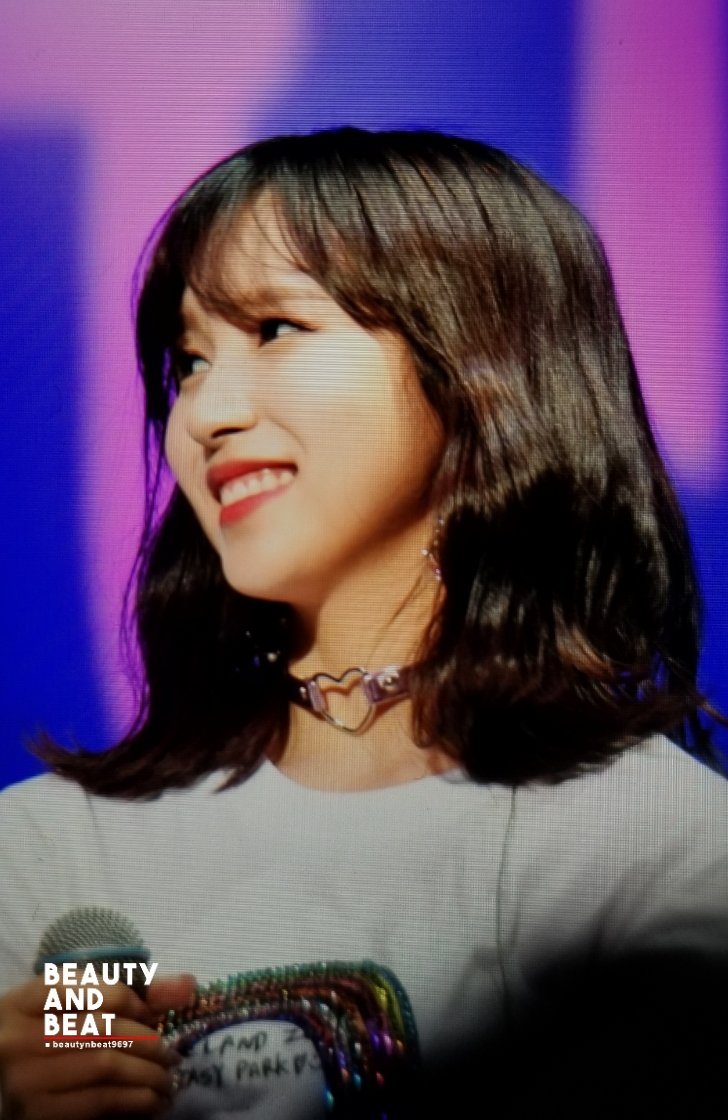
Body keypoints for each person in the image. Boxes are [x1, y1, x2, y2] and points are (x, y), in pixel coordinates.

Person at [1, 126, 727, 1120]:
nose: (205, 413)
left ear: (476, 361)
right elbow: (74, 1058)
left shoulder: (648, 850)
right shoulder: (63, 857)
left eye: (275, 329)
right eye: (190, 360)